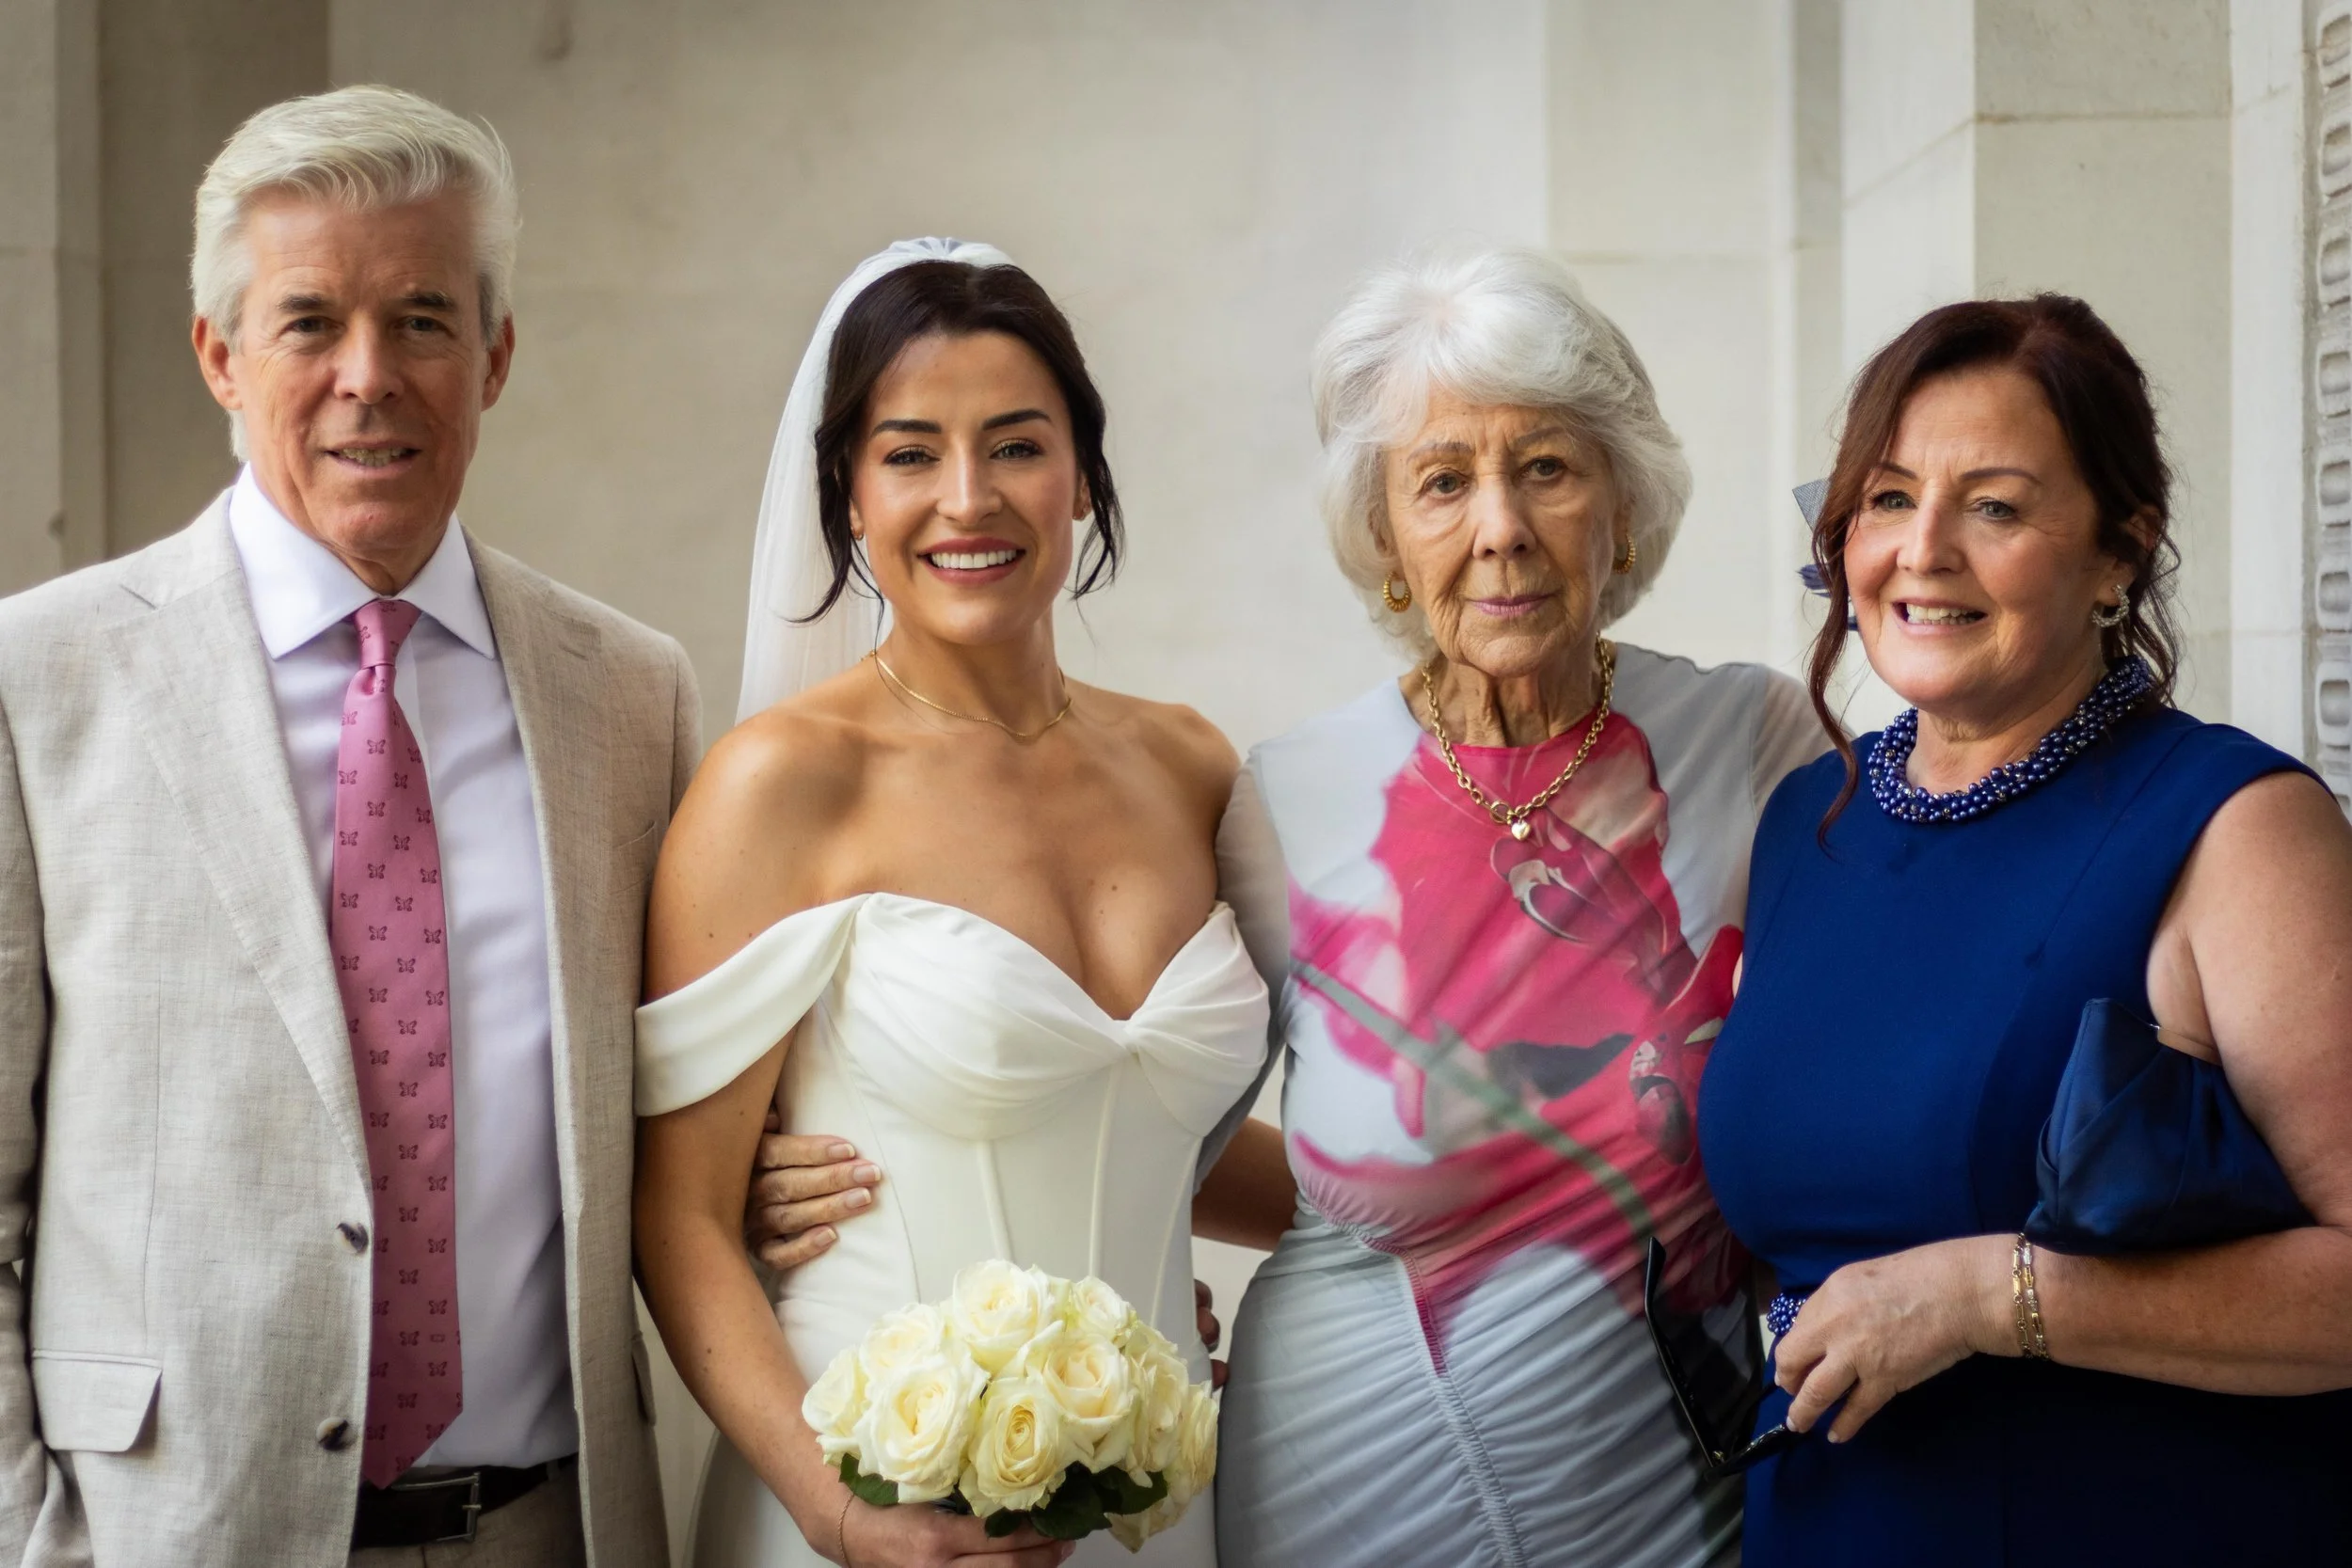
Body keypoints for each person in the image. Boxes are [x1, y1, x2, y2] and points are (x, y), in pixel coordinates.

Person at [0, 87, 689, 1564]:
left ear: (494, 356)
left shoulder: (632, 697)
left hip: (549, 1530)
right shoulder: (36, 678)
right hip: (164, 1535)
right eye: (309, 322)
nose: (368, 377)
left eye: (423, 319)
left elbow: (702, 1131)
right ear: (220, 354)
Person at [630, 242, 1271, 1568]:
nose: (967, 499)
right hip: (875, 1506)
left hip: (1158, 1514)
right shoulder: (780, 784)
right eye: (911, 453)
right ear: (849, 496)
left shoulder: (1192, 767)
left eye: (1017, 445)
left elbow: (1174, 1133)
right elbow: (679, 1218)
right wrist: (841, 1514)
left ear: (1083, 475)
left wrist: (1500, 1198)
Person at [1696, 294, 2352, 1565]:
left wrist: (1984, 1298)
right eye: (1888, 498)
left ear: (2119, 554)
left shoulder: (2238, 826)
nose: (1922, 550)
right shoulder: (1804, 822)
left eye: (1993, 507)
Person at [1200, 246, 1827, 1566]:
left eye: (1545, 467)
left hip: (1665, 1473)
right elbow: (1165, 1130)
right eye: (1443, 481)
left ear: (1622, 505)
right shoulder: (1291, 798)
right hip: (1347, 1463)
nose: (1500, 526)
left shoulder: (1754, 741)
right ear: (1386, 538)